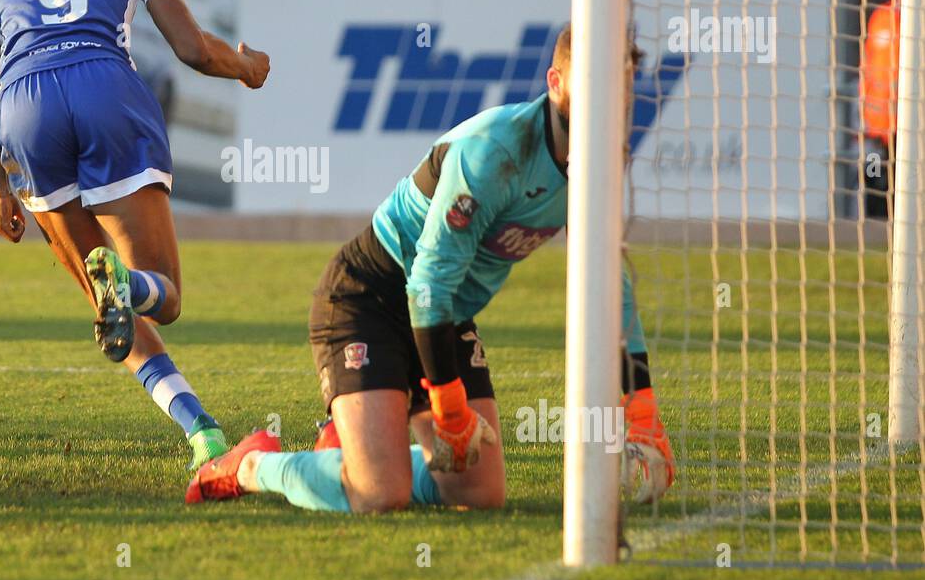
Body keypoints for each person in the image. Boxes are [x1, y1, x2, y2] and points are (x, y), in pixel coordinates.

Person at [186, 25, 673, 511]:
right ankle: (253, 464)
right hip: (370, 297)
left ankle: (355, 449)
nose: (610, 103)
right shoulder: (497, 153)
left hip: (444, 314)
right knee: (381, 494)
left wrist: (642, 402)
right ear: (555, 82)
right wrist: (449, 404)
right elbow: (426, 284)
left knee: (479, 494)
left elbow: (609, 276)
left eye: (622, 88)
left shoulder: (600, 160)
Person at [0, 0, 270, 470]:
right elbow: (189, 48)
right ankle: (129, 285)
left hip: (26, 107)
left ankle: (201, 432)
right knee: (167, 297)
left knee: (104, 304)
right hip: (107, 91)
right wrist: (245, 67)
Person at [861, 0, 901, 219]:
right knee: (876, 199)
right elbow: (869, 68)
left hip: (908, 133)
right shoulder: (880, 17)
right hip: (878, 133)